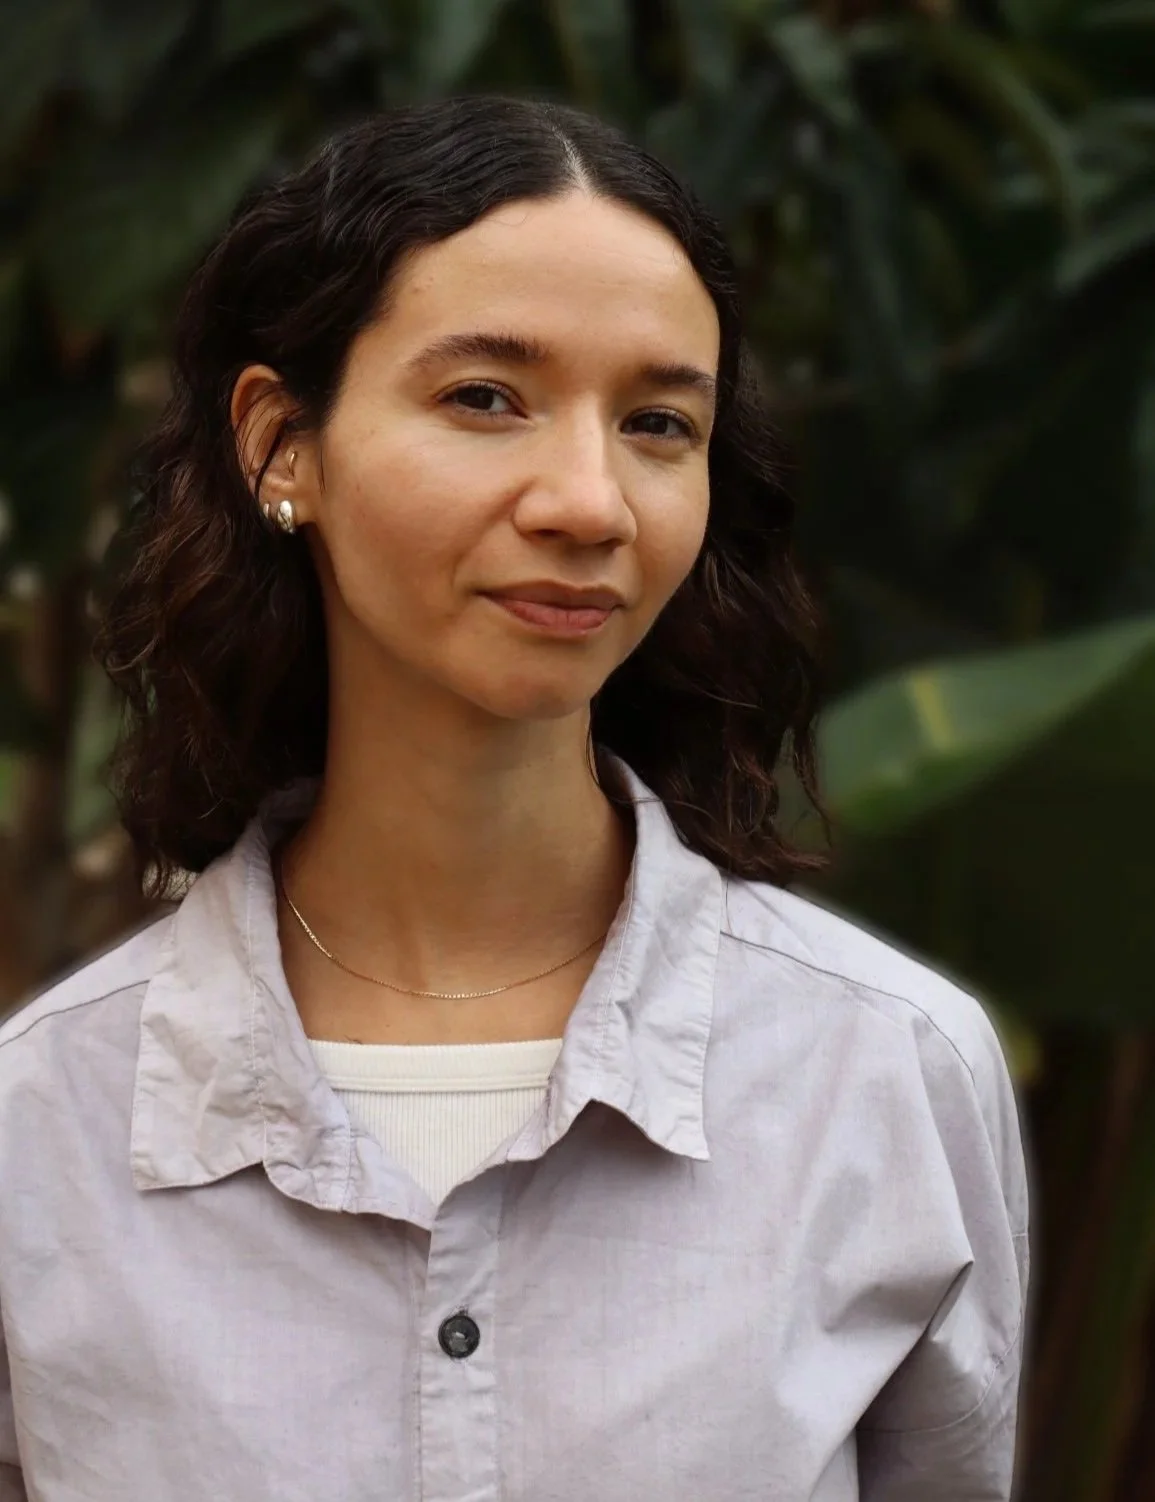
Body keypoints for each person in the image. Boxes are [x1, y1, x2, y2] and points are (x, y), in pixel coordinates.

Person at [0, 95, 1029, 1501]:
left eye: (660, 421)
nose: (589, 500)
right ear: (278, 444)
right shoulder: (40, 1124)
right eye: (485, 396)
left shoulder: (885, 1075)